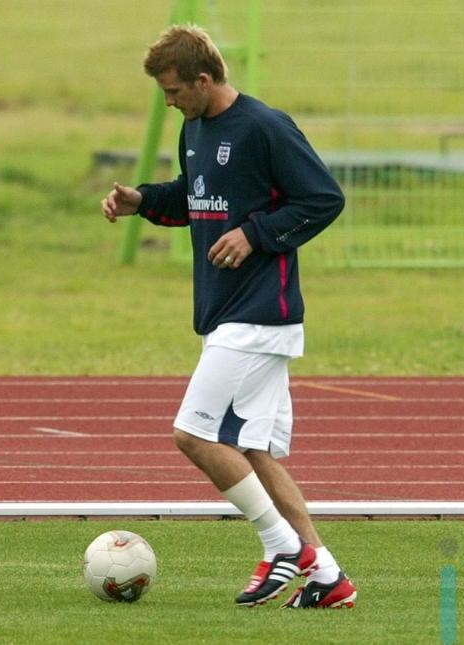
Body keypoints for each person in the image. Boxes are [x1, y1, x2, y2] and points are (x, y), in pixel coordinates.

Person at [100, 25, 356, 608]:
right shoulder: (195, 127)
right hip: (227, 314)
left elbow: (323, 199)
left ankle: (283, 546)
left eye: (173, 91)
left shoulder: (266, 127)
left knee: (193, 435)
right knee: (254, 452)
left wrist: (255, 234)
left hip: (261, 313)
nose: (168, 103)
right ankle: (328, 579)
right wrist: (142, 199)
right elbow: (194, 199)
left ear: (205, 79)